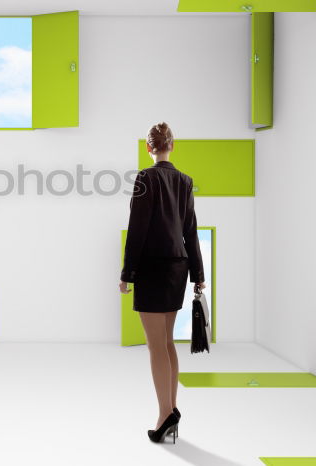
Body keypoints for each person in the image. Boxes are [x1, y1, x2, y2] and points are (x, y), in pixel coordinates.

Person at [119, 122, 206, 444]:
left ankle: (164, 415)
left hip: (153, 268)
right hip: (178, 268)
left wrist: (127, 273)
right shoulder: (184, 181)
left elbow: (137, 229)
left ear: (148, 148)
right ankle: (171, 409)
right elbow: (190, 230)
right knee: (167, 343)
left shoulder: (146, 177)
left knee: (157, 346)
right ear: (173, 146)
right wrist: (198, 275)